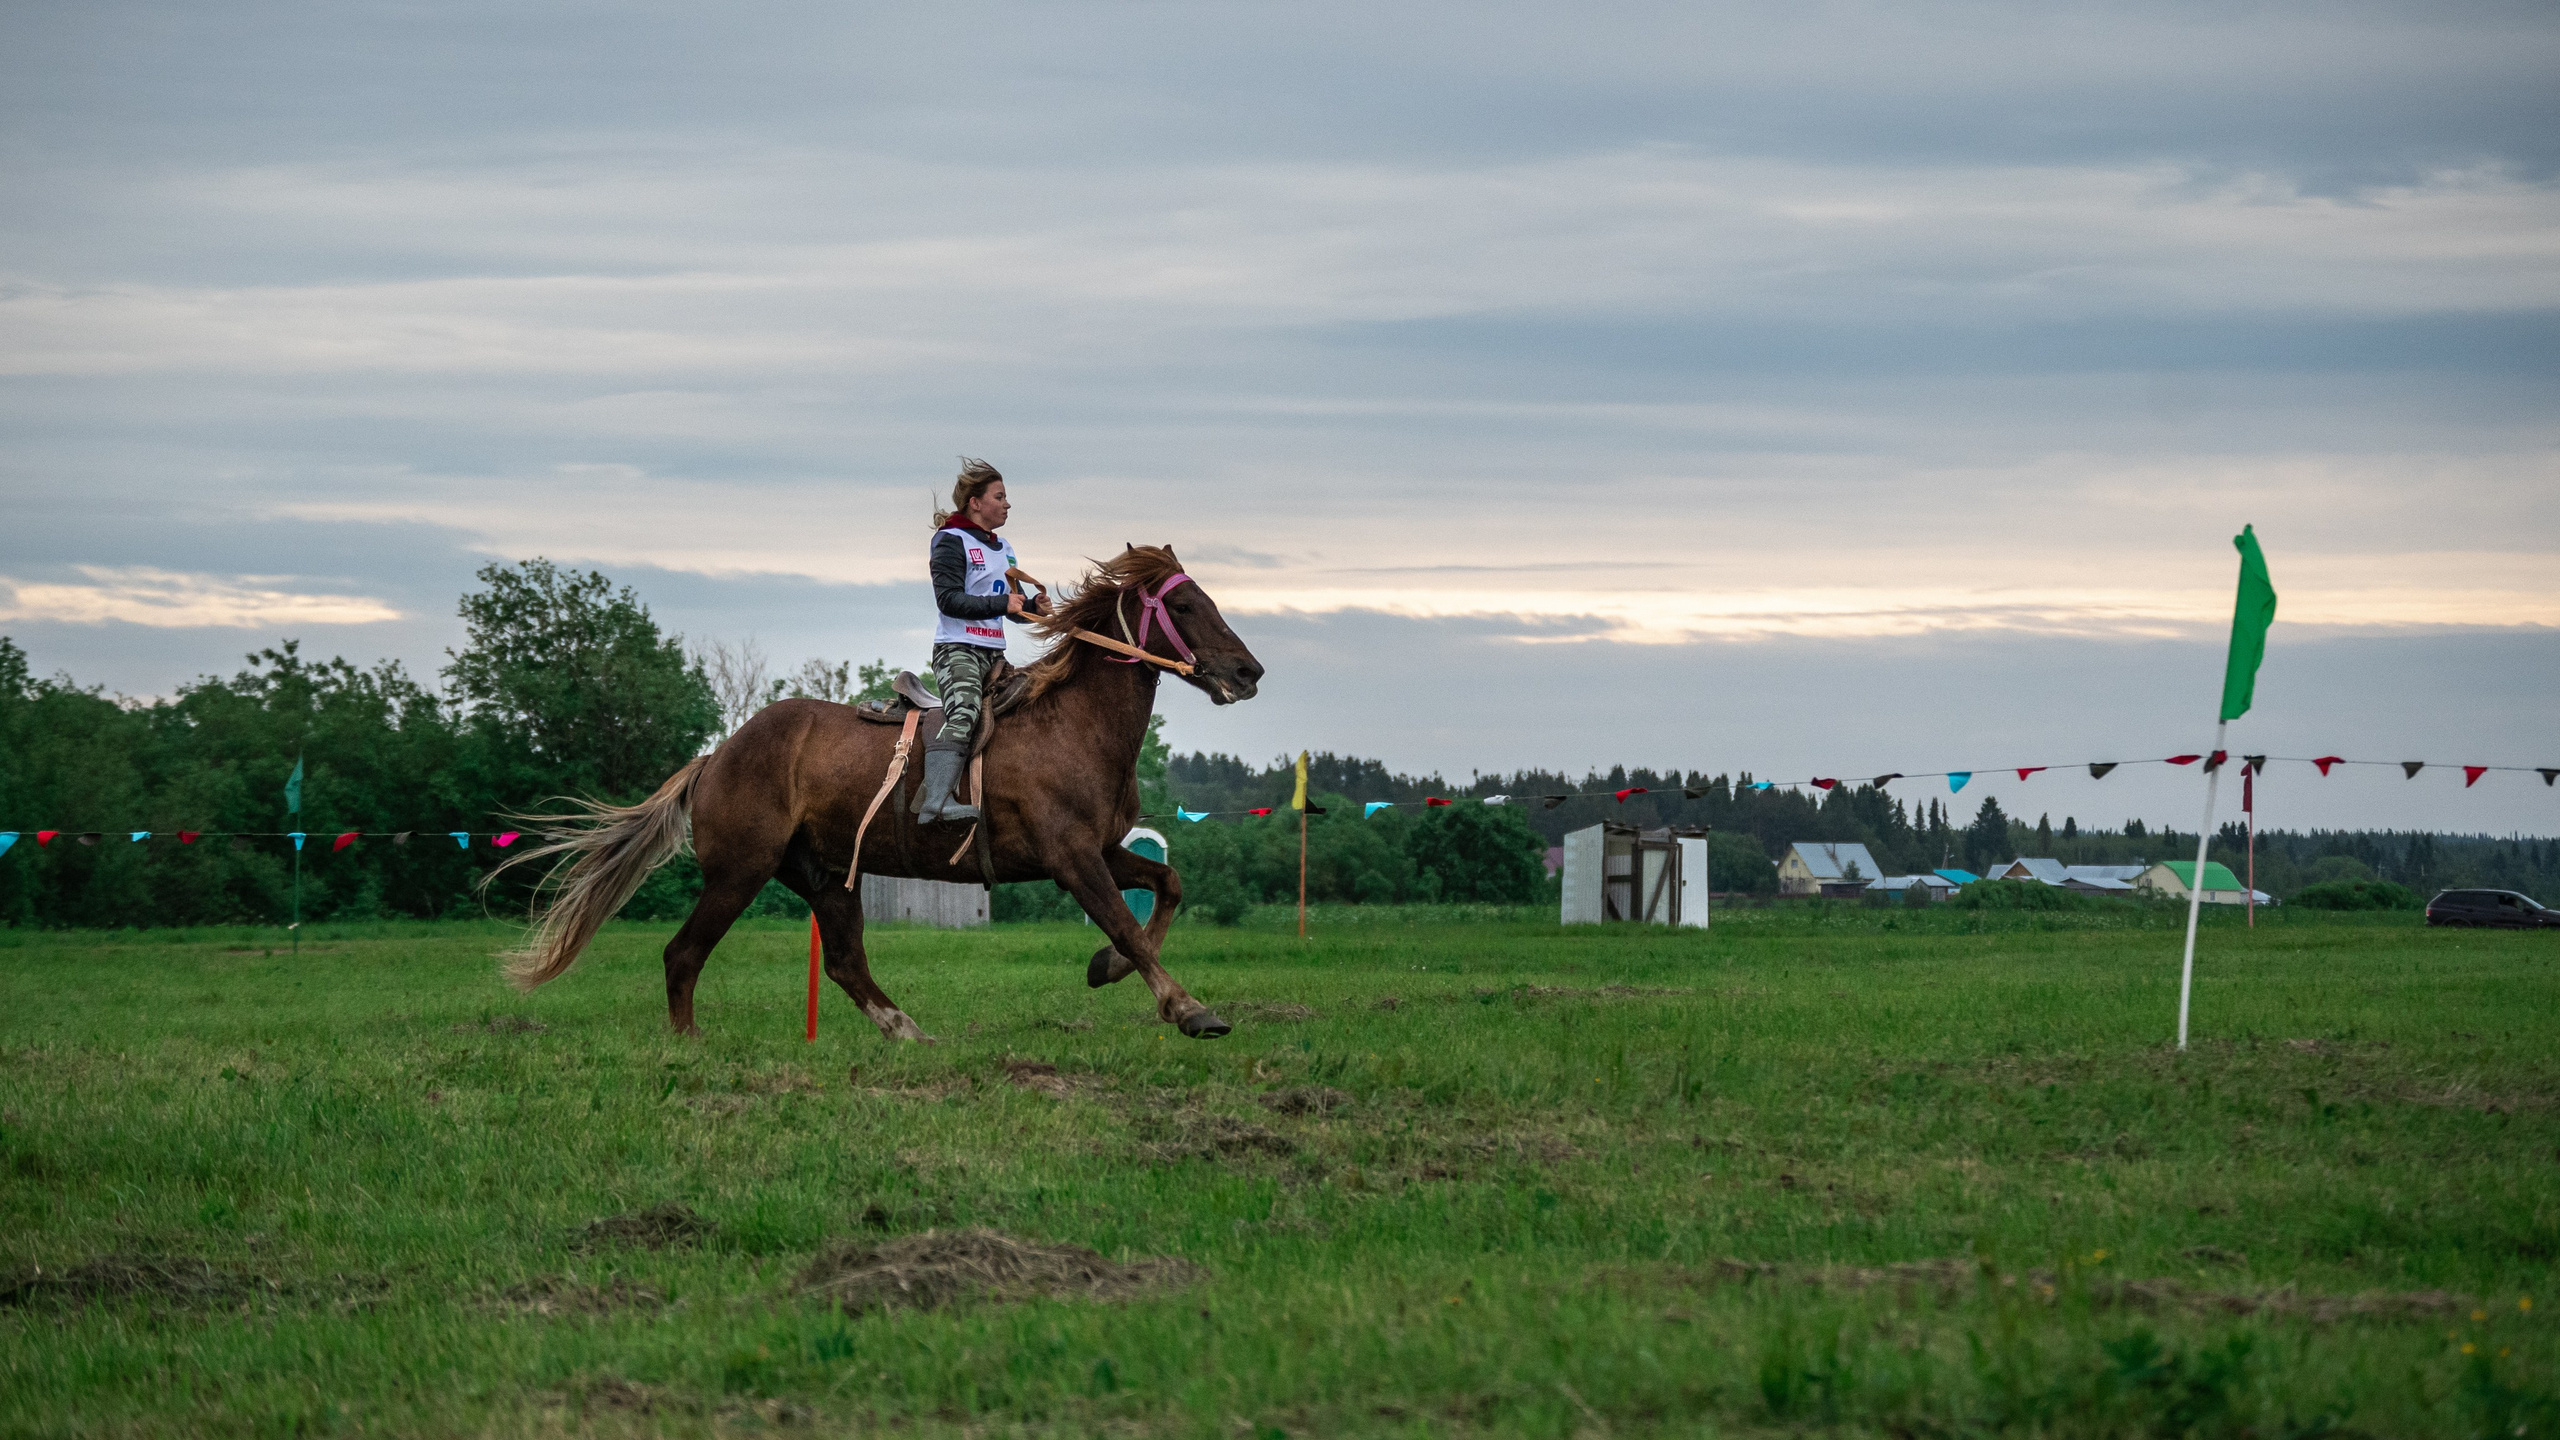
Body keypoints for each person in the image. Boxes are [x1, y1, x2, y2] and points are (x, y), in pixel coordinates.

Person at [918, 458, 1038, 822]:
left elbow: (1009, 606)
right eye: (999, 497)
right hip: (957, 650)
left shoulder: (1005, 549)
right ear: (975, 502)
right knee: (965, 710)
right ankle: (935, 802)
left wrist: (1032, 606)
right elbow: (949, 601)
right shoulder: (950, 540)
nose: (1007, 504)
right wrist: (1004, 603)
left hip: (994, 654)